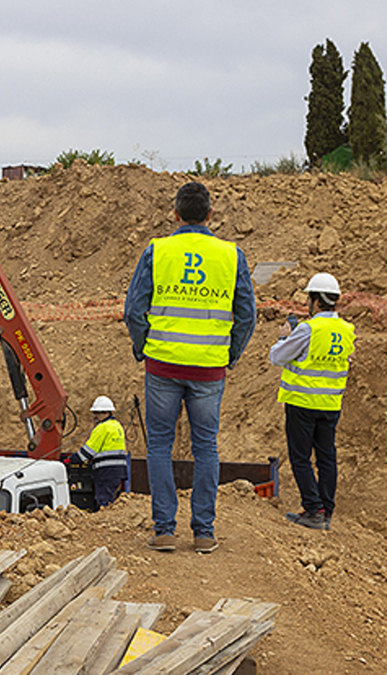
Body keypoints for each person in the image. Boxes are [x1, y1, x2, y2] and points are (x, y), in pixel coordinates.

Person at [124, 182, 256, 554]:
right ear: (210, 215)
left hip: (162, 365)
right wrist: (228, 354)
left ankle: (165, 530)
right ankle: (204, 533)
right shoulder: (232, 255)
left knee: (160, 446)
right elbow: (247, 316)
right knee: (206, 448)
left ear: (176, 214)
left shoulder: (158, 250)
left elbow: (133, 311)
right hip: (208, 371)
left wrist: (143, 347)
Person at [270, 273, 355, 530]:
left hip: (303, 402)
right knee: (327, 457)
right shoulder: (346, 329)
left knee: (301, 458)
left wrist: (285, 336)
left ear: (316, 301)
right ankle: (326, 510)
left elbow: (277, 357)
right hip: (330, 405)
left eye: (309, 298)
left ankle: (313, 508)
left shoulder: (309, 329)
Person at [73, 396, 128, 508]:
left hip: (106, 473)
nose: (94, 416)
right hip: (118, 472)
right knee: (109, 500)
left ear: (106, 413)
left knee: (103, 501)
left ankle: (104, 524)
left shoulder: (102, 428)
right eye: (94, 413)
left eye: (97, 413)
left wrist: (71, 460)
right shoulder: (117, 426)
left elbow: (87, 452)